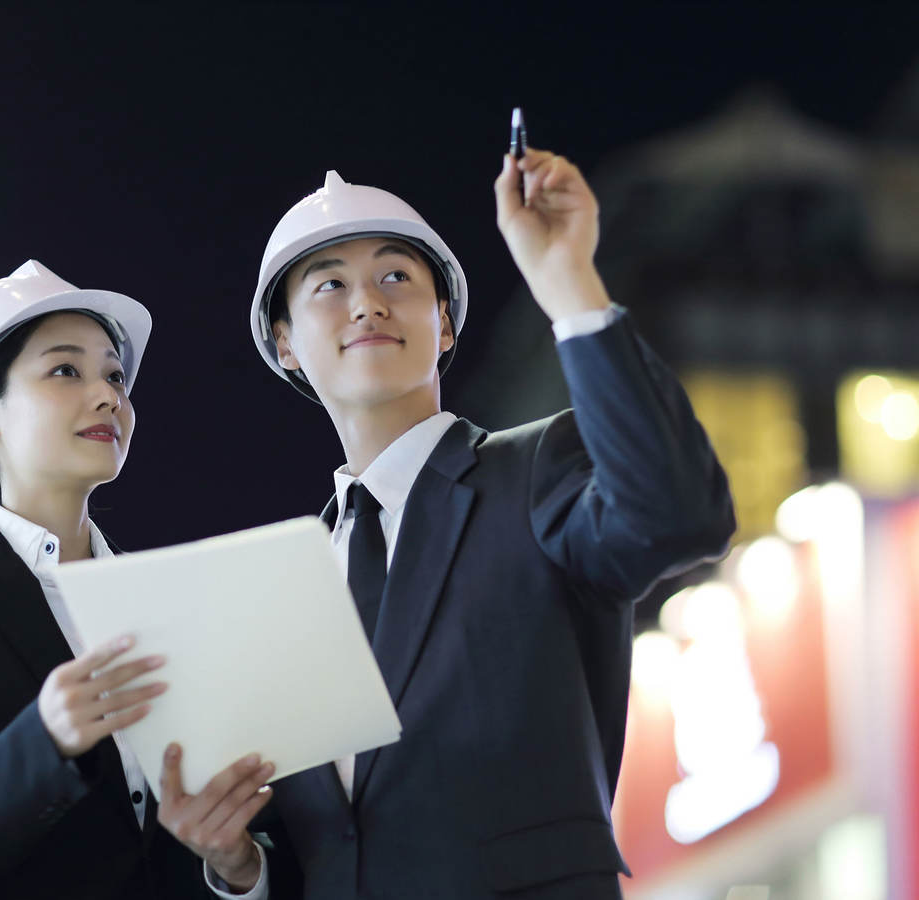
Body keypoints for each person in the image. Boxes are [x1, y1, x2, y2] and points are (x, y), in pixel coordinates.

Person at [245, 153, 736, 899]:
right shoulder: (286, 589)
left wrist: (568, 282)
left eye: (396, 278)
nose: (367, 303)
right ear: (285, 344)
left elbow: (675, 518)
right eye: (330, 286)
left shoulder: (536, 471)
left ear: (444, 323)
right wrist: (237, 868)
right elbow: (322, 841)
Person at [0, 261, 274, 899]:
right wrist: (45, 737)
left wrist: (238, 869)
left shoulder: (171, 596)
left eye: (113, 374)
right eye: (65, 370)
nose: (109, 394)